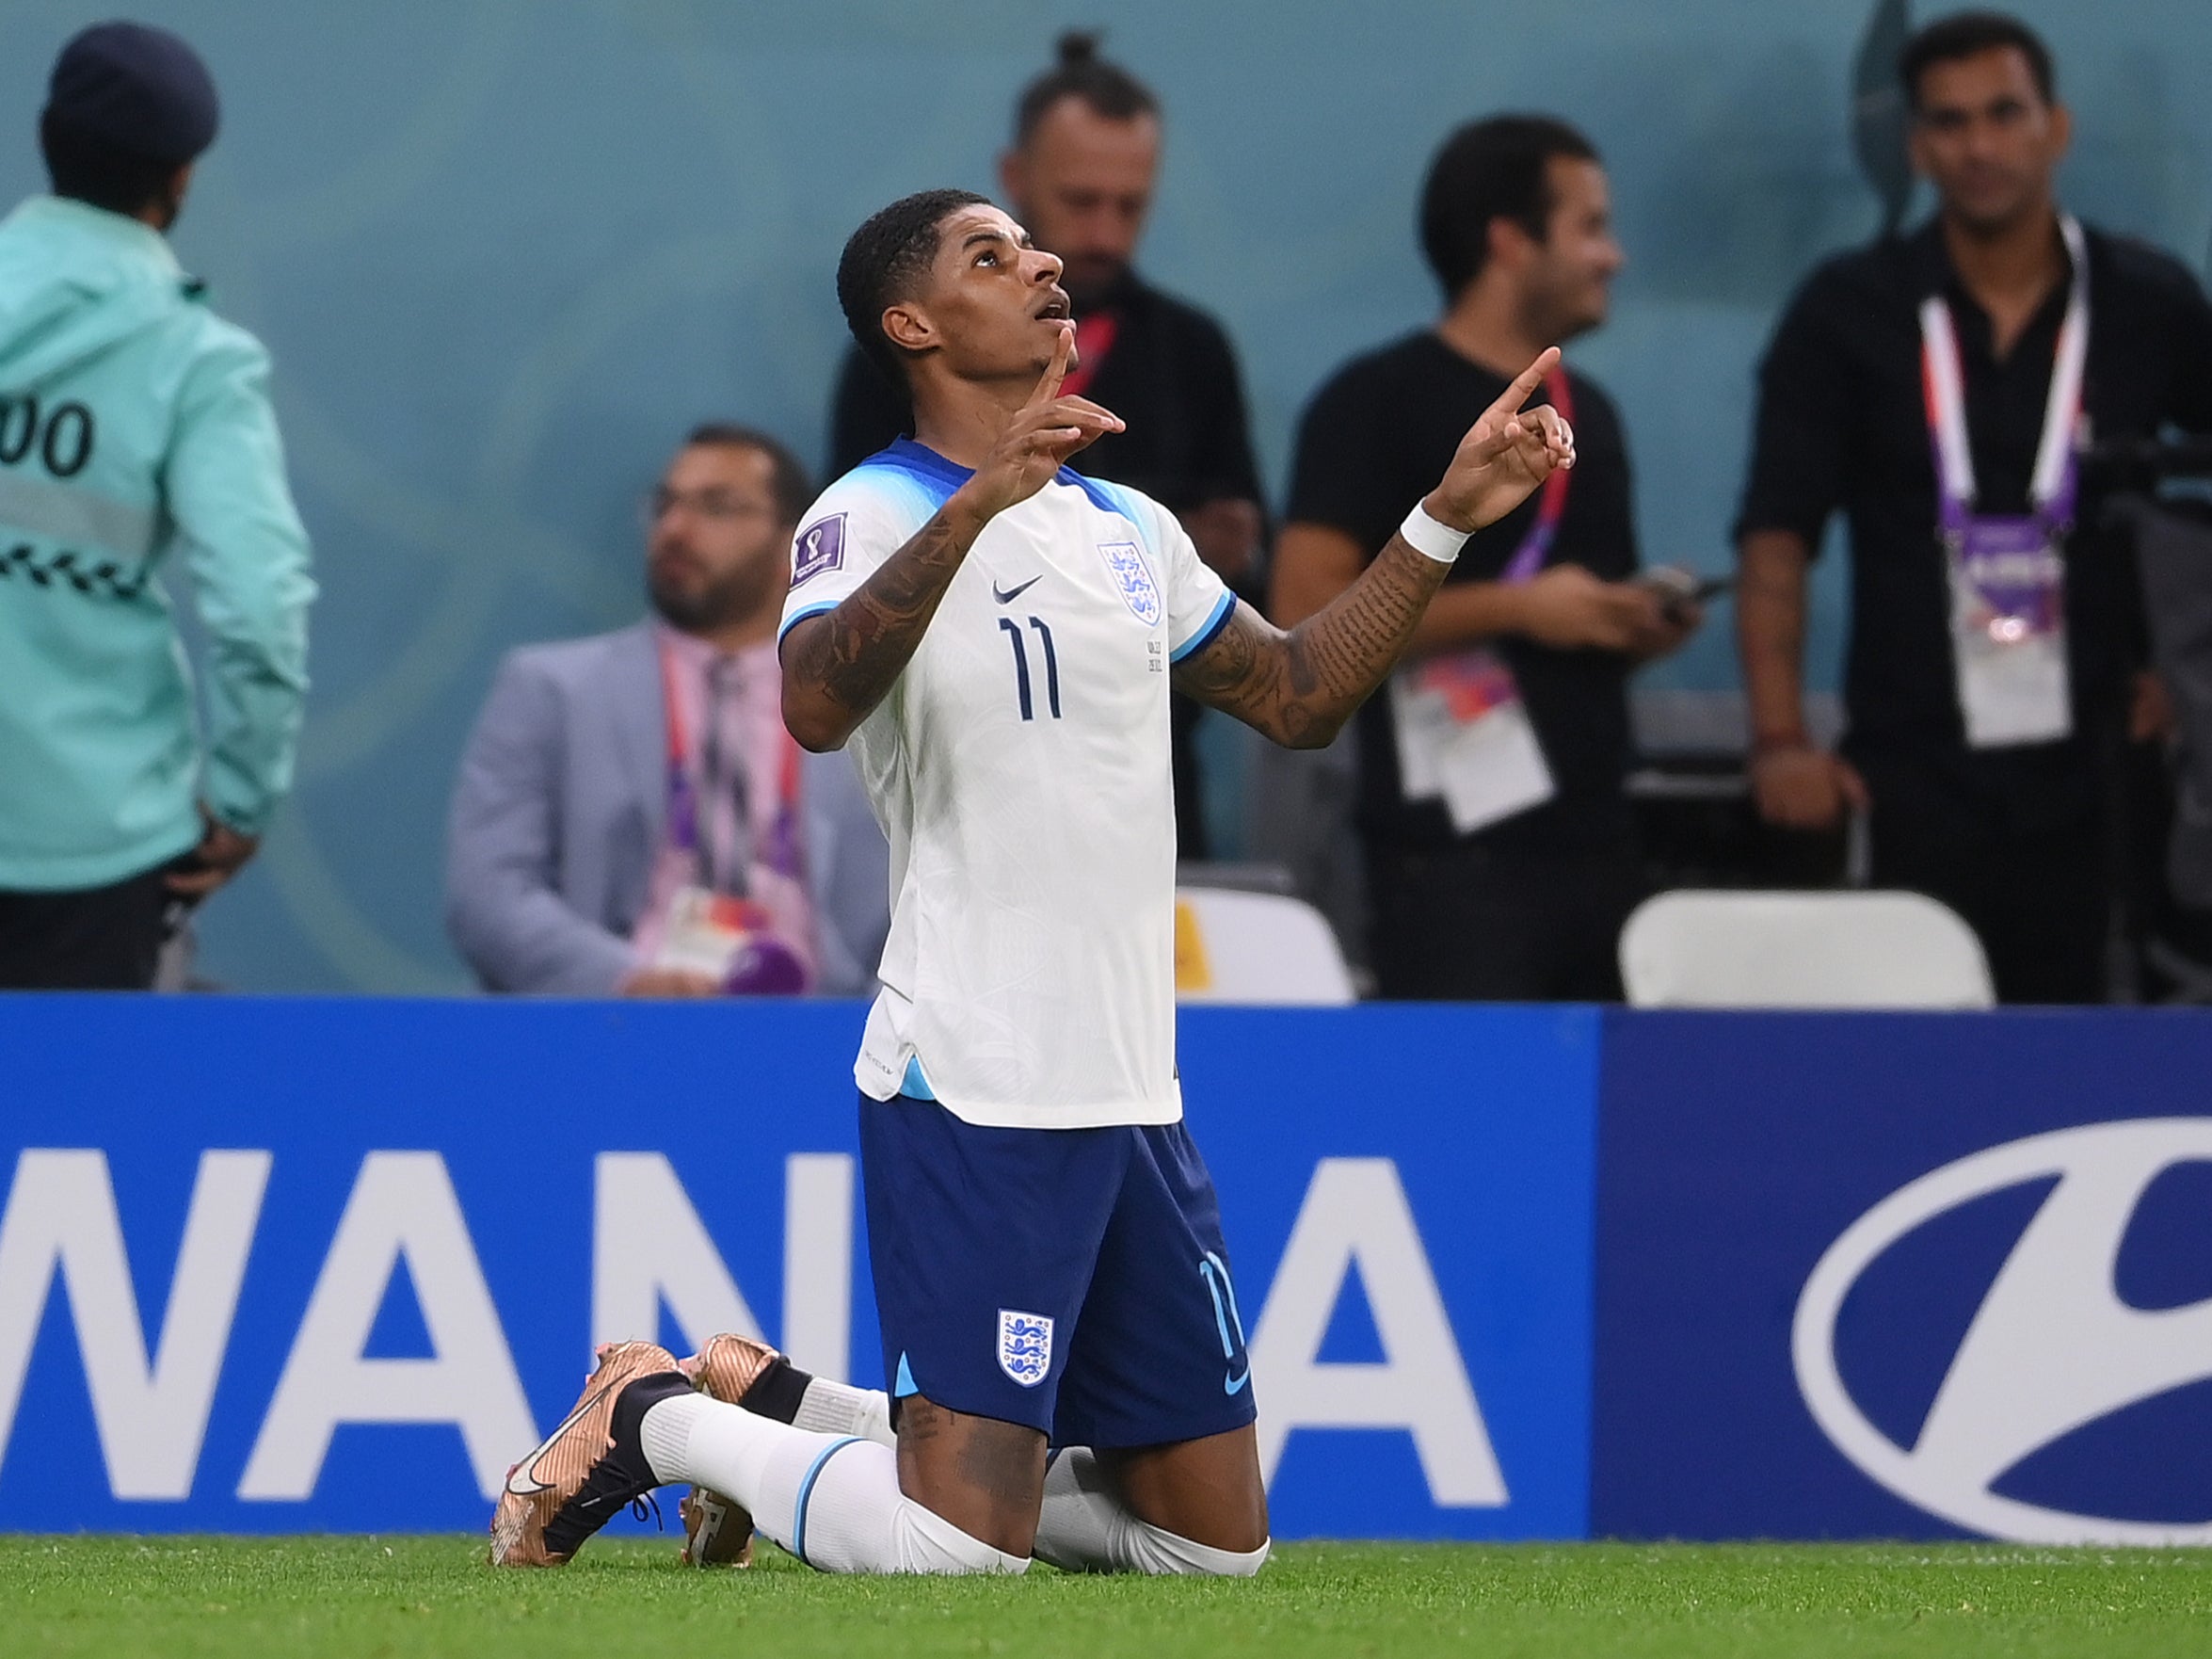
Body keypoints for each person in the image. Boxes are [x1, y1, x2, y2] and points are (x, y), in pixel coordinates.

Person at [488, 188, 1575, 1575]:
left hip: (1130, 1080)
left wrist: (1443, 517)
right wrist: (980, 501)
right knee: (958, 1546)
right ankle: (653, 1419)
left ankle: (774, 1410)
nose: (1044, 265)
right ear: (913, 322)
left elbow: (1298, 695)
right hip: (975, 1067)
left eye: (1037, 250)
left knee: (1211, 1552)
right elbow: (815, 701)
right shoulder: (865, 508)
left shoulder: (1129, 525)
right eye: (991, 257)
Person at [1735, 11, 2212, 1003]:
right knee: (1922, 1059)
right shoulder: (1845, 311)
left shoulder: (2148, 304)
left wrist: (2192, 675)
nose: (1979, 146)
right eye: (1949, 124)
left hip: (2111, 774)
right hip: (1912, 768)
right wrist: (1780, 738)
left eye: (2004, 114)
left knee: (2101, 1052)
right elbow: (1778, 537)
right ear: (1916, 147)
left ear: (2056, 127)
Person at [1273, 116, 1699, 1001]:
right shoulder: (1372, 401)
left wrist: (1630, 621)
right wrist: (1518, 608)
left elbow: (1585, 604)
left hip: (1600, 846)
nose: (1612, 256)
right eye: (1589, 226)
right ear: (1509, 241)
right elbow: (1302, 612)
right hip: (1448, 862)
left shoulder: (1592, 413)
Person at [826, 33, 1265, 859]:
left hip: (1151, 760)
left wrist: (1439, 523)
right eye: (1079, 200)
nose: (1096, 237)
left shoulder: (1191, 350)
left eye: (1129, 206)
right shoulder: (878, 430)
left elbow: (1276, 640)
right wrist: (987, 504)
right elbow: (849, 620)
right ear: (1017, 178)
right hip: (960, 784)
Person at [0, 22, 313, 990]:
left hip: (88, 854)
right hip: (91, 846)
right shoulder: (195, 360)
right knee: (68, 1138)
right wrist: (243, 795)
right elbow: (260, 611)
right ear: (181, 178)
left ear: (48, 137)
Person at [445, 427, 889, 998]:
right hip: (617, 1027)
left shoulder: (867, 703)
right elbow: (489, 897)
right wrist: (627, 981)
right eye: (666, 505)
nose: (675, 529)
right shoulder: (550, 690)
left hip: (830, 1035)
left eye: (716, 507)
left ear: (794, 547)